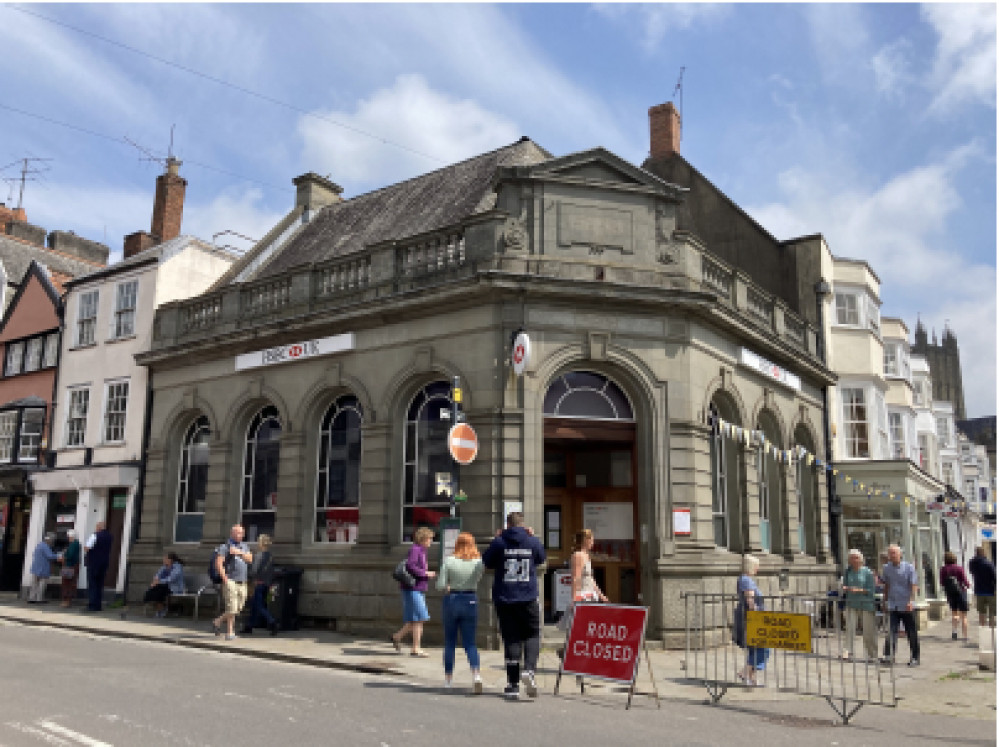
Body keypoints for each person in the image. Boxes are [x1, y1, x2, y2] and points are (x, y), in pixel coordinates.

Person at [483, 511, 546, 701]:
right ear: (523, 524)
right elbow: (541, 558)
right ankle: (529, 670)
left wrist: (497, 539)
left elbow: (486, 561)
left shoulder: (500, 542)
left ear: (507, 525)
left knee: (511, 639)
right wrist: (532, 537)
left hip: (505, 597)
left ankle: (512, 685)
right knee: (532, 634)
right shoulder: (532, 541)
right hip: (528, 597)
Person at [436, 531, 485, 692]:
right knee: (470, 643)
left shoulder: (449, 561)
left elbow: (440, 585)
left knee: (450, 642)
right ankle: (476, 674)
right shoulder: (478, 562)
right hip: (470, 599)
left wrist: (448, 586)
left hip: (452, 599)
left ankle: (448, 680)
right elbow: (478, 579)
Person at [391, 526, 436, 657]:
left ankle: (397, 637)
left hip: (418, 588)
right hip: (412, 588)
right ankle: (415, 648)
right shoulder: (415, 550)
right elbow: (410, 565)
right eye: (429, 539)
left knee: (415, 619)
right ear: (423, 539)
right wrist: (425, 573)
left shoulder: (422, 550)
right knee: (420, 618)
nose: (431, 541)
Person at [210, 524, 253, 641]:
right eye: (238, 533)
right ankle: (230, 632)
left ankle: (217, 621)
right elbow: (218, 563)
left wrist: (239, 553)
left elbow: (250, 559)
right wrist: (225, 579)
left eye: (242, 533)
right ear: (232, 533)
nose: (241, 535)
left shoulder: (244, 546)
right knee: (232, 607)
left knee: (239, 607)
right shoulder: (225, 547)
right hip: (231, 580)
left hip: (243, 580)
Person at [880, 543, 920, 666]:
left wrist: (910, 601)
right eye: (890, 553)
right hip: (893, 603)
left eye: (894, 553)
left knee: (911, 631)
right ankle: (889, 655)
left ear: (900, 554)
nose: (892, 555)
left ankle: (915, 657)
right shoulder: (886, 568)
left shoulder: (909, 568)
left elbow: (913, 585)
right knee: (891, 631)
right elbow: (887, 585)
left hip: (906, 604)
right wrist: (884, 601)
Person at [735, 554, 768, 685]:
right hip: (752, 618)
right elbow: (750, 600)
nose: (757, 569)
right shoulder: (746, 580)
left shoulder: (745, 579)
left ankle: (751, 678)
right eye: (756, 566)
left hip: (750, 617)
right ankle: (744, 672)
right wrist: (756, 617)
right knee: (763, 646)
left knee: (755, 647)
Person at [841, 549, 878, 660]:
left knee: (868, 631)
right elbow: (845, 585)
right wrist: (845, 588)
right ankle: (847, 652)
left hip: (866, 604)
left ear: (861, 559)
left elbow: (871, 590)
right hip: (851, 603)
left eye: (856, 558)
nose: (854, 560)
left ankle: (872, 654)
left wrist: (858, 590)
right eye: (851, 558)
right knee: (850, 629)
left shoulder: (867, 572)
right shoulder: (848, 571)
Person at [243, 534, 279, 636]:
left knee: (259, 606)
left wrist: (248, 573)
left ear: (261, 543)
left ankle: (272, 622)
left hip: (258, 583)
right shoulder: (271, 556)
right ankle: (249, 626)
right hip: (267, 583)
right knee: (254, 605)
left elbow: (254, 571)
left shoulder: (259, 555)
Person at [939, 551, 971, 641]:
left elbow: (941, 582)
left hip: (950, 594)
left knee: (954, 613)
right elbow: (964, 580)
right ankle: (965, 636)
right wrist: (968, 585)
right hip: (961, 592)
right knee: (964, 615)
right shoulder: (959, 568)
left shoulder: (943, 569)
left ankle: (954, 631)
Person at [143, 553, 185, 618]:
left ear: (170, 560)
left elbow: (172, 578)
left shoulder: (177, 567)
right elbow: (157, 575)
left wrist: (159, 582)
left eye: (165, 558)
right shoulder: (164, 567)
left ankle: (162, 609)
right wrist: (155, 580)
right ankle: (160, 607)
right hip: (163, 586)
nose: (164, 560)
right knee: (152, 590)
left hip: (174, 587)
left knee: (159, 590)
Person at [84, 521, 114, 612]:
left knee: (92, 584)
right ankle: (98, 605)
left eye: (96, 527)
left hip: (93, 562)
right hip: (104, 563)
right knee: (100, 584)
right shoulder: (110, 536)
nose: (96, 528)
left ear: (99, 527)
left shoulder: (95, 535)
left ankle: (92, 605)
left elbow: (87, 548)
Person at [28, 533, 61, 603]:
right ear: (49, 540)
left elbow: (34, 554)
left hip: (36, 567)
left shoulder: (39, 545)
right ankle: (39, 599)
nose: (52, 541)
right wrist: (59, 555)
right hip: (42, 568)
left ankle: (32, 598)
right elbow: (50, 556)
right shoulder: (45, 546)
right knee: (42, 584)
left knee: (34, 584)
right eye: (52, 540)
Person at [969, 546, 996, 628]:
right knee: (992, 612)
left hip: (979, 590)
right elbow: (994, 576)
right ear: (983, 553)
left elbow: (971, 572)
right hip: (990, 591)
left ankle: (983, 629)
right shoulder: (988, 563)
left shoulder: (972, 563)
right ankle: (992, 630)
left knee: (981, 612)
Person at [60, 530, 82, 608]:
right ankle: (68, 600)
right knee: (70, 583)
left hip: (69, 566)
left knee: (67, 583)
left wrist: (64, 557)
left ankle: (66, 601)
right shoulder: (77, 544)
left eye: (68, 536)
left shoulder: (73, 544)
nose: (68, 538)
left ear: (71, 536)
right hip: (72, 565)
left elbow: (70, 555)